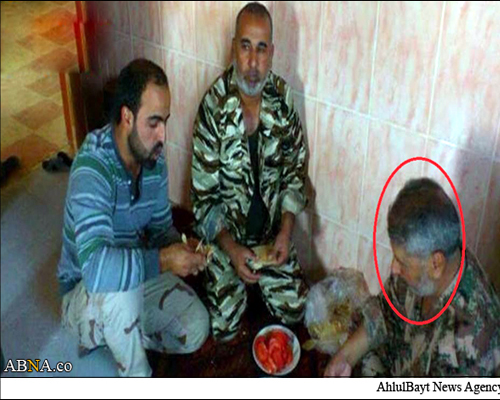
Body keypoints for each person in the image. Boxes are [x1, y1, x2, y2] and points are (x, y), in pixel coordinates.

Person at [57, 59, 209, 377]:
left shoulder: (153, 158)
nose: (163, 135)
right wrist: (164, 261)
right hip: (86, 290)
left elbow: (160, 229)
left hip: (135, 274)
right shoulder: (92, 168)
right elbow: (97, 270)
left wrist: (183, 247)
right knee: (119, 292)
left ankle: (120, 334)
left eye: (165, 121)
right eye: (154, 122)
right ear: (127, 116)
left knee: (195, 327)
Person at [191, 2, 309, 342]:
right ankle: (231, 283)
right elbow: (203, 199)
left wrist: (285, 232)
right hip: (227, 241)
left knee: (295, 310)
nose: (253, 62)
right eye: (245, 47)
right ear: (233, 48)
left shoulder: (283, 100)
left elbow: (296, 171)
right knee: (224, 327)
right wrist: (230, 249)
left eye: (261, 49)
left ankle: (262, 286)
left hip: (271, 241)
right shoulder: (213, 107)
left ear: (271, 52)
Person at [324, 178, 500, 377]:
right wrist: (345, 357)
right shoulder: (424, 267)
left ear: (436, 264)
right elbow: (385, 310)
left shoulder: (472, 343)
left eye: (402, 262)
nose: (394, 269)